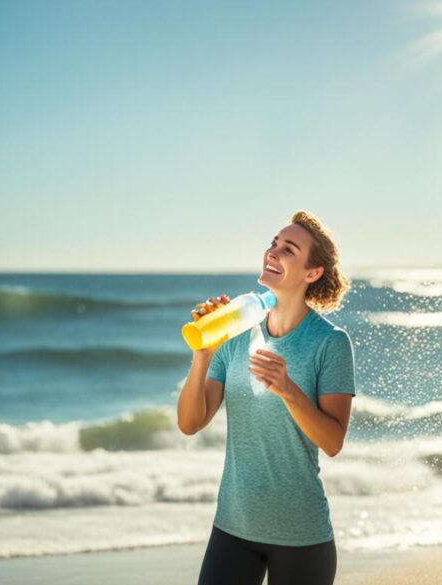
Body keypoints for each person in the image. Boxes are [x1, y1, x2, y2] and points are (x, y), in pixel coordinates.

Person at [177, 210, 356, 585]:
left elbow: (332, 441)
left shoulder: (330, 342)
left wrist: (289, 390)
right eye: (274, 243)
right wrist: (203, 353)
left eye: (288, 249)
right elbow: (190, 423)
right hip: (232, 527)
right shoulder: (236, 331)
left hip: (301, 535)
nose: (272, 252)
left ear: (312, 273)